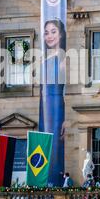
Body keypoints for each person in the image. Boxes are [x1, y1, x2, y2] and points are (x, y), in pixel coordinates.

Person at [39, 19, 66, 187]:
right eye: (46, 32)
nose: (49, 36)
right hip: (44, 107)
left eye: (53, 31)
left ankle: (55, 183)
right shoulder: (42, 60)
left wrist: (66, 118)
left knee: (56, 146)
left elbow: (68, 90)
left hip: (57, 108)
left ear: (61, 34)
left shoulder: (64, 59)